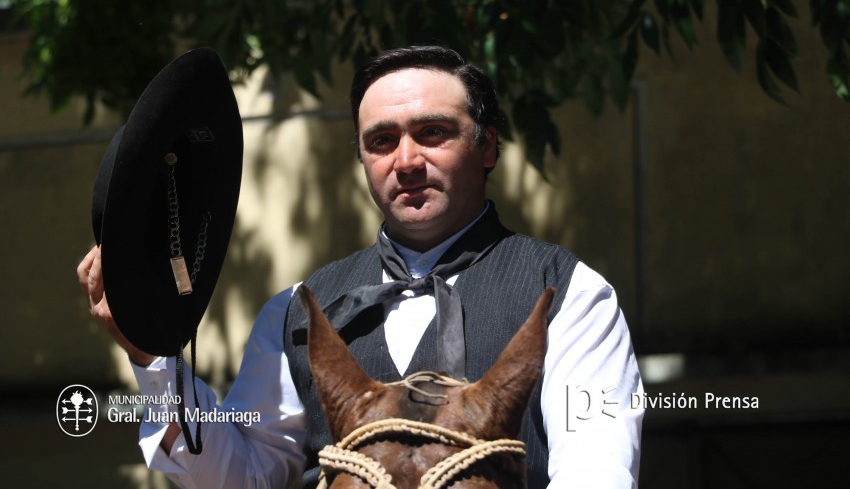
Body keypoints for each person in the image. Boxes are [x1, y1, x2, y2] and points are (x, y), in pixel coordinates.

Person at [78, 45, 643, 488]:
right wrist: (152, 357)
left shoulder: (571, 292)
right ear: (363, 159)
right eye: (381, 141)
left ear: (488, 146)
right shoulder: (295, 310)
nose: (407, 161)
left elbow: (597, 474)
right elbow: (242, 478)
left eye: (433, 133)